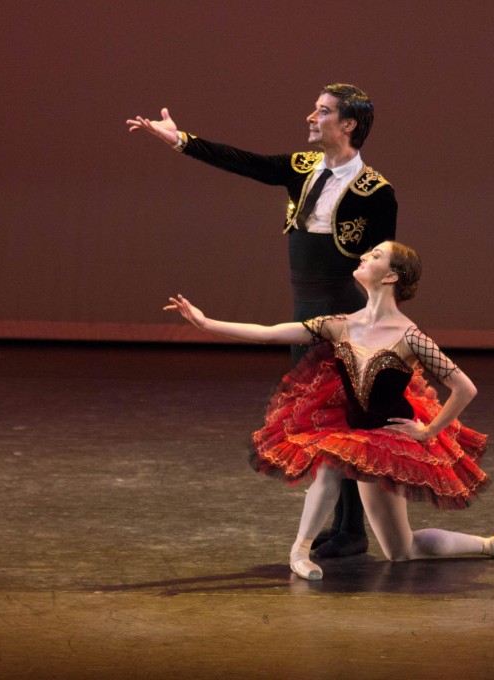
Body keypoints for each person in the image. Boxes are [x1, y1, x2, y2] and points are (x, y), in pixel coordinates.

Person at [164, 241, 494, 580]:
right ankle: (299, 552)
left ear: (391, 277)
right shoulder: (340, 325)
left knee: (401, 551)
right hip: (354, 433)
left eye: (377, 254)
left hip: (387, 440)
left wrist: (426, 431)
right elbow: (270, 332)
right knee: (336, 464)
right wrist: (205, 322)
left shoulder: (409, 335)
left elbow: (464, 388)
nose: (365, 255)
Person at [129, 84, 397, 559]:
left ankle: (352, 530)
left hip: (343, 308)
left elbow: (382, 264)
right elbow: (245, 161)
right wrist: (180, 140)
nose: (310, 117)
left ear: (349, 124)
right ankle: (342, 526)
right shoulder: (302, 168)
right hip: (305, 306)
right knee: (317, 416)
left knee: (347, 419)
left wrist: (372, 324)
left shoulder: (375, 191)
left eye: (322, 111)